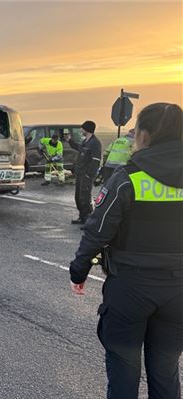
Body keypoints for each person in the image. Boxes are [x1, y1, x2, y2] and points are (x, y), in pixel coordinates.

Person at [69, 103, 183, 399]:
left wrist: (78, 271)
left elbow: (97, 231)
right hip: (179, 290)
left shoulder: (127, 178)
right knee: (166, 371)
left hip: (130, 288)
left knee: (123, 372)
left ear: (144, 134)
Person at [64, 121, 101, 225]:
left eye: (82, 128)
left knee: (85, 197)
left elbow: (96, 161)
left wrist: (89, 175)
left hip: (86, 175)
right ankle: (82, 217)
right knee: (78, 197)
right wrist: (69, 140)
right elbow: (78, 148)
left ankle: (88, 220)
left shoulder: (95, 143)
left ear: (86, 129)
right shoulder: (86, 142)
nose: (81, 130)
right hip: (80, 174)